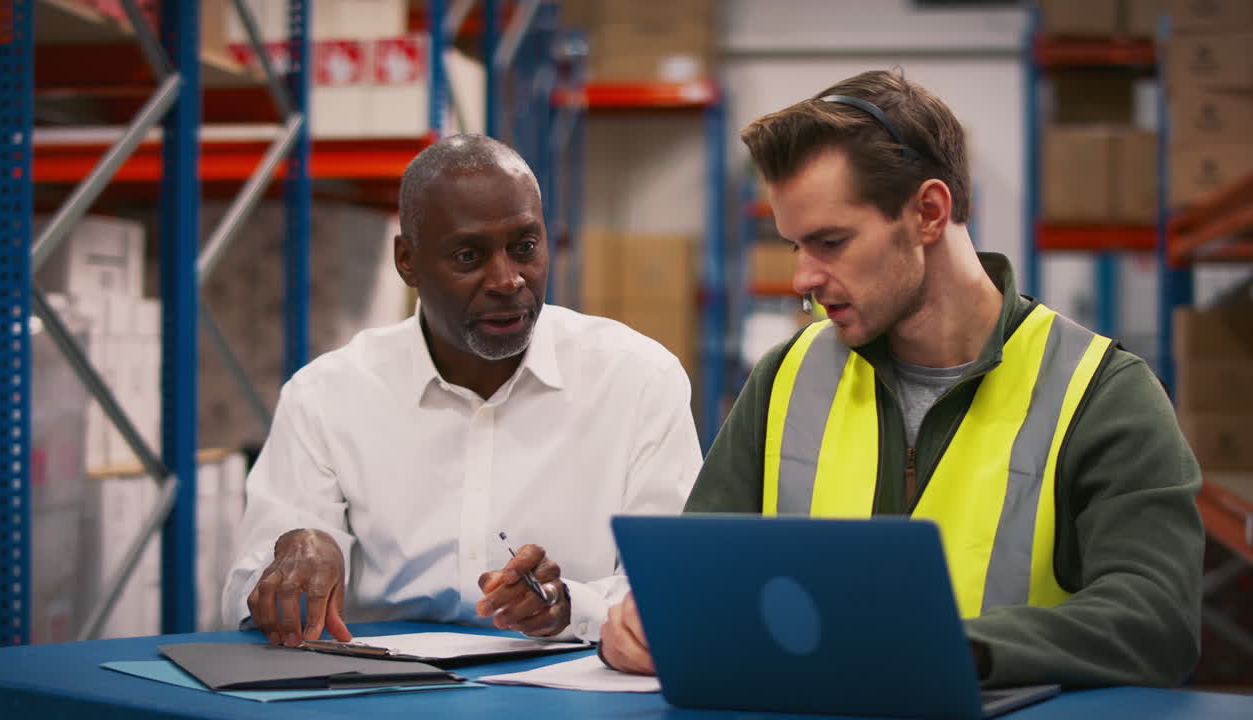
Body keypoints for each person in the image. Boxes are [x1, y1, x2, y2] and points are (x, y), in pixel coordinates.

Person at [600, 70, 1204, 688]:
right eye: (794, 247)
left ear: (929, 212)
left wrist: (951, 650)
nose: (803, 278)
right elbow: (701, 572)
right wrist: (645, 619)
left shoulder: (1101, 392)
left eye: (830, 242)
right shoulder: (785, 377)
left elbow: (1156, 619)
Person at [222, 134, 702, 647]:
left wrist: (570, 606)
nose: (507, 280)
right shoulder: (325, 396)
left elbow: (676, 585)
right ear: (407, 261)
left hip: (567, 680)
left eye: (525, 247)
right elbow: (247, 596)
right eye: (469, 255)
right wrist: (295, 558)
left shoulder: (637, 380)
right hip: (378, 688)